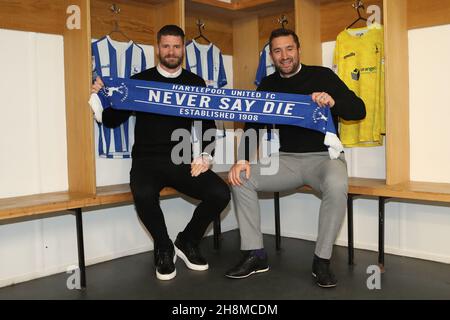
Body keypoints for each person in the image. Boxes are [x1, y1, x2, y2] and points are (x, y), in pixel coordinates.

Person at [225, 28, 366, 288]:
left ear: (298, 49)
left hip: (324, 158)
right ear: (271, 55)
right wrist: (243, 159)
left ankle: (321, 261)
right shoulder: (268, 84)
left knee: (337, 185)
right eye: (277, 51)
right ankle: (255, 253)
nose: (284, 55)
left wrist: (333, 101)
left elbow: (359, 110)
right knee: (240, 178)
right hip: (287, 160)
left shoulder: (322, 76)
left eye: (289, 49)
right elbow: (253, 125)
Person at [91, 25, 230, 281]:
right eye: (166, 46)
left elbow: (207, 125)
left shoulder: (195, 83)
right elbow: (112, 119)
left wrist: (206, 156)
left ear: (183, 49)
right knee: (143, 193)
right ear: (157, 48)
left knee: (220, 193)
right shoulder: (139, 81)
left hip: (181, 159)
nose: (171, 51)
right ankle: (163, 246)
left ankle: (187, 241)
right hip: (146, 160)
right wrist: (101, 95)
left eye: (176, 46)